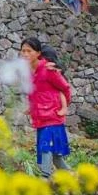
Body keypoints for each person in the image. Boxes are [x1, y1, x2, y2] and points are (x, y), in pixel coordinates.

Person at [21, 37, 72, 178]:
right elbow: (33, 94)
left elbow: (65, 88)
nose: (25, 54)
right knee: (56, 157)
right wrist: (31, 108)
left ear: (38, 53)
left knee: (46, 146)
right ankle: (73, 177)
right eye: (23, 51)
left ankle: (45, 177)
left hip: (52, 117)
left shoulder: (49, 70)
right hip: (40, 118)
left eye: (29, 51)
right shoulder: (29, 73)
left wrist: (63, 107)